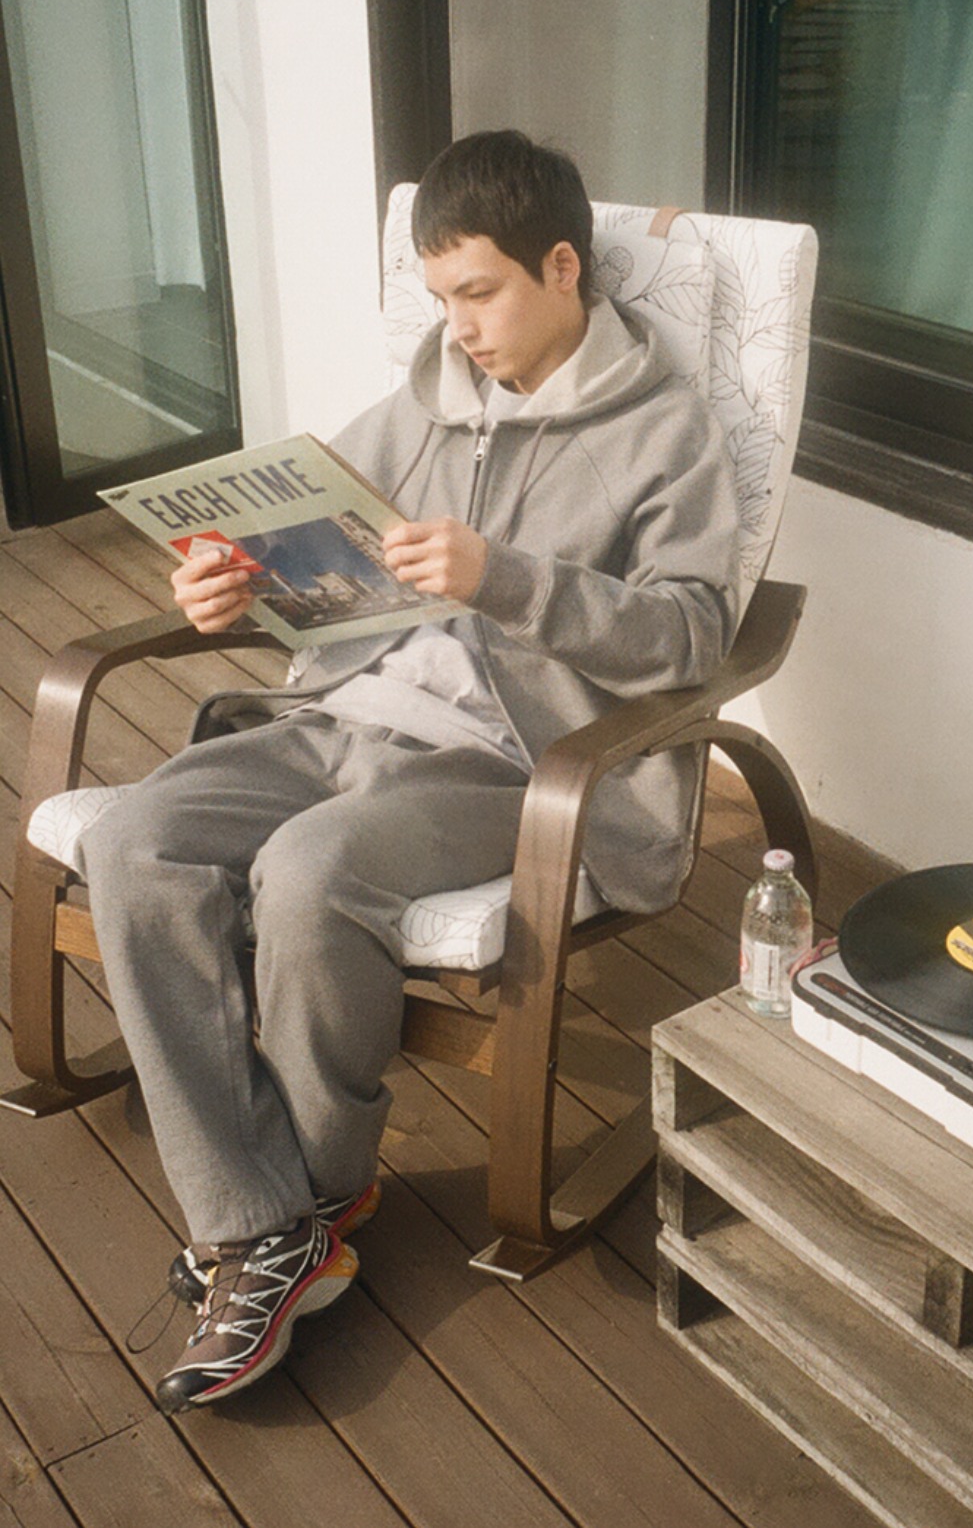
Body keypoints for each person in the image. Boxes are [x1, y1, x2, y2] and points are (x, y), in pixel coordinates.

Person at [78, 130, 740, 1414]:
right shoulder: (419, 404)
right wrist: (230, 592)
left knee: (308, 870)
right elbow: (312, 560)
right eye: (441, 298)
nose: (460, 327)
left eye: (480, 292)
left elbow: (693, 638)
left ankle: (294, 1208)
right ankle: (274, 1224)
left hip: (512, 761)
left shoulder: (666, 432)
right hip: (341, 715)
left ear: (563, 267)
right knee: (130, 843)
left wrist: (509, 581)